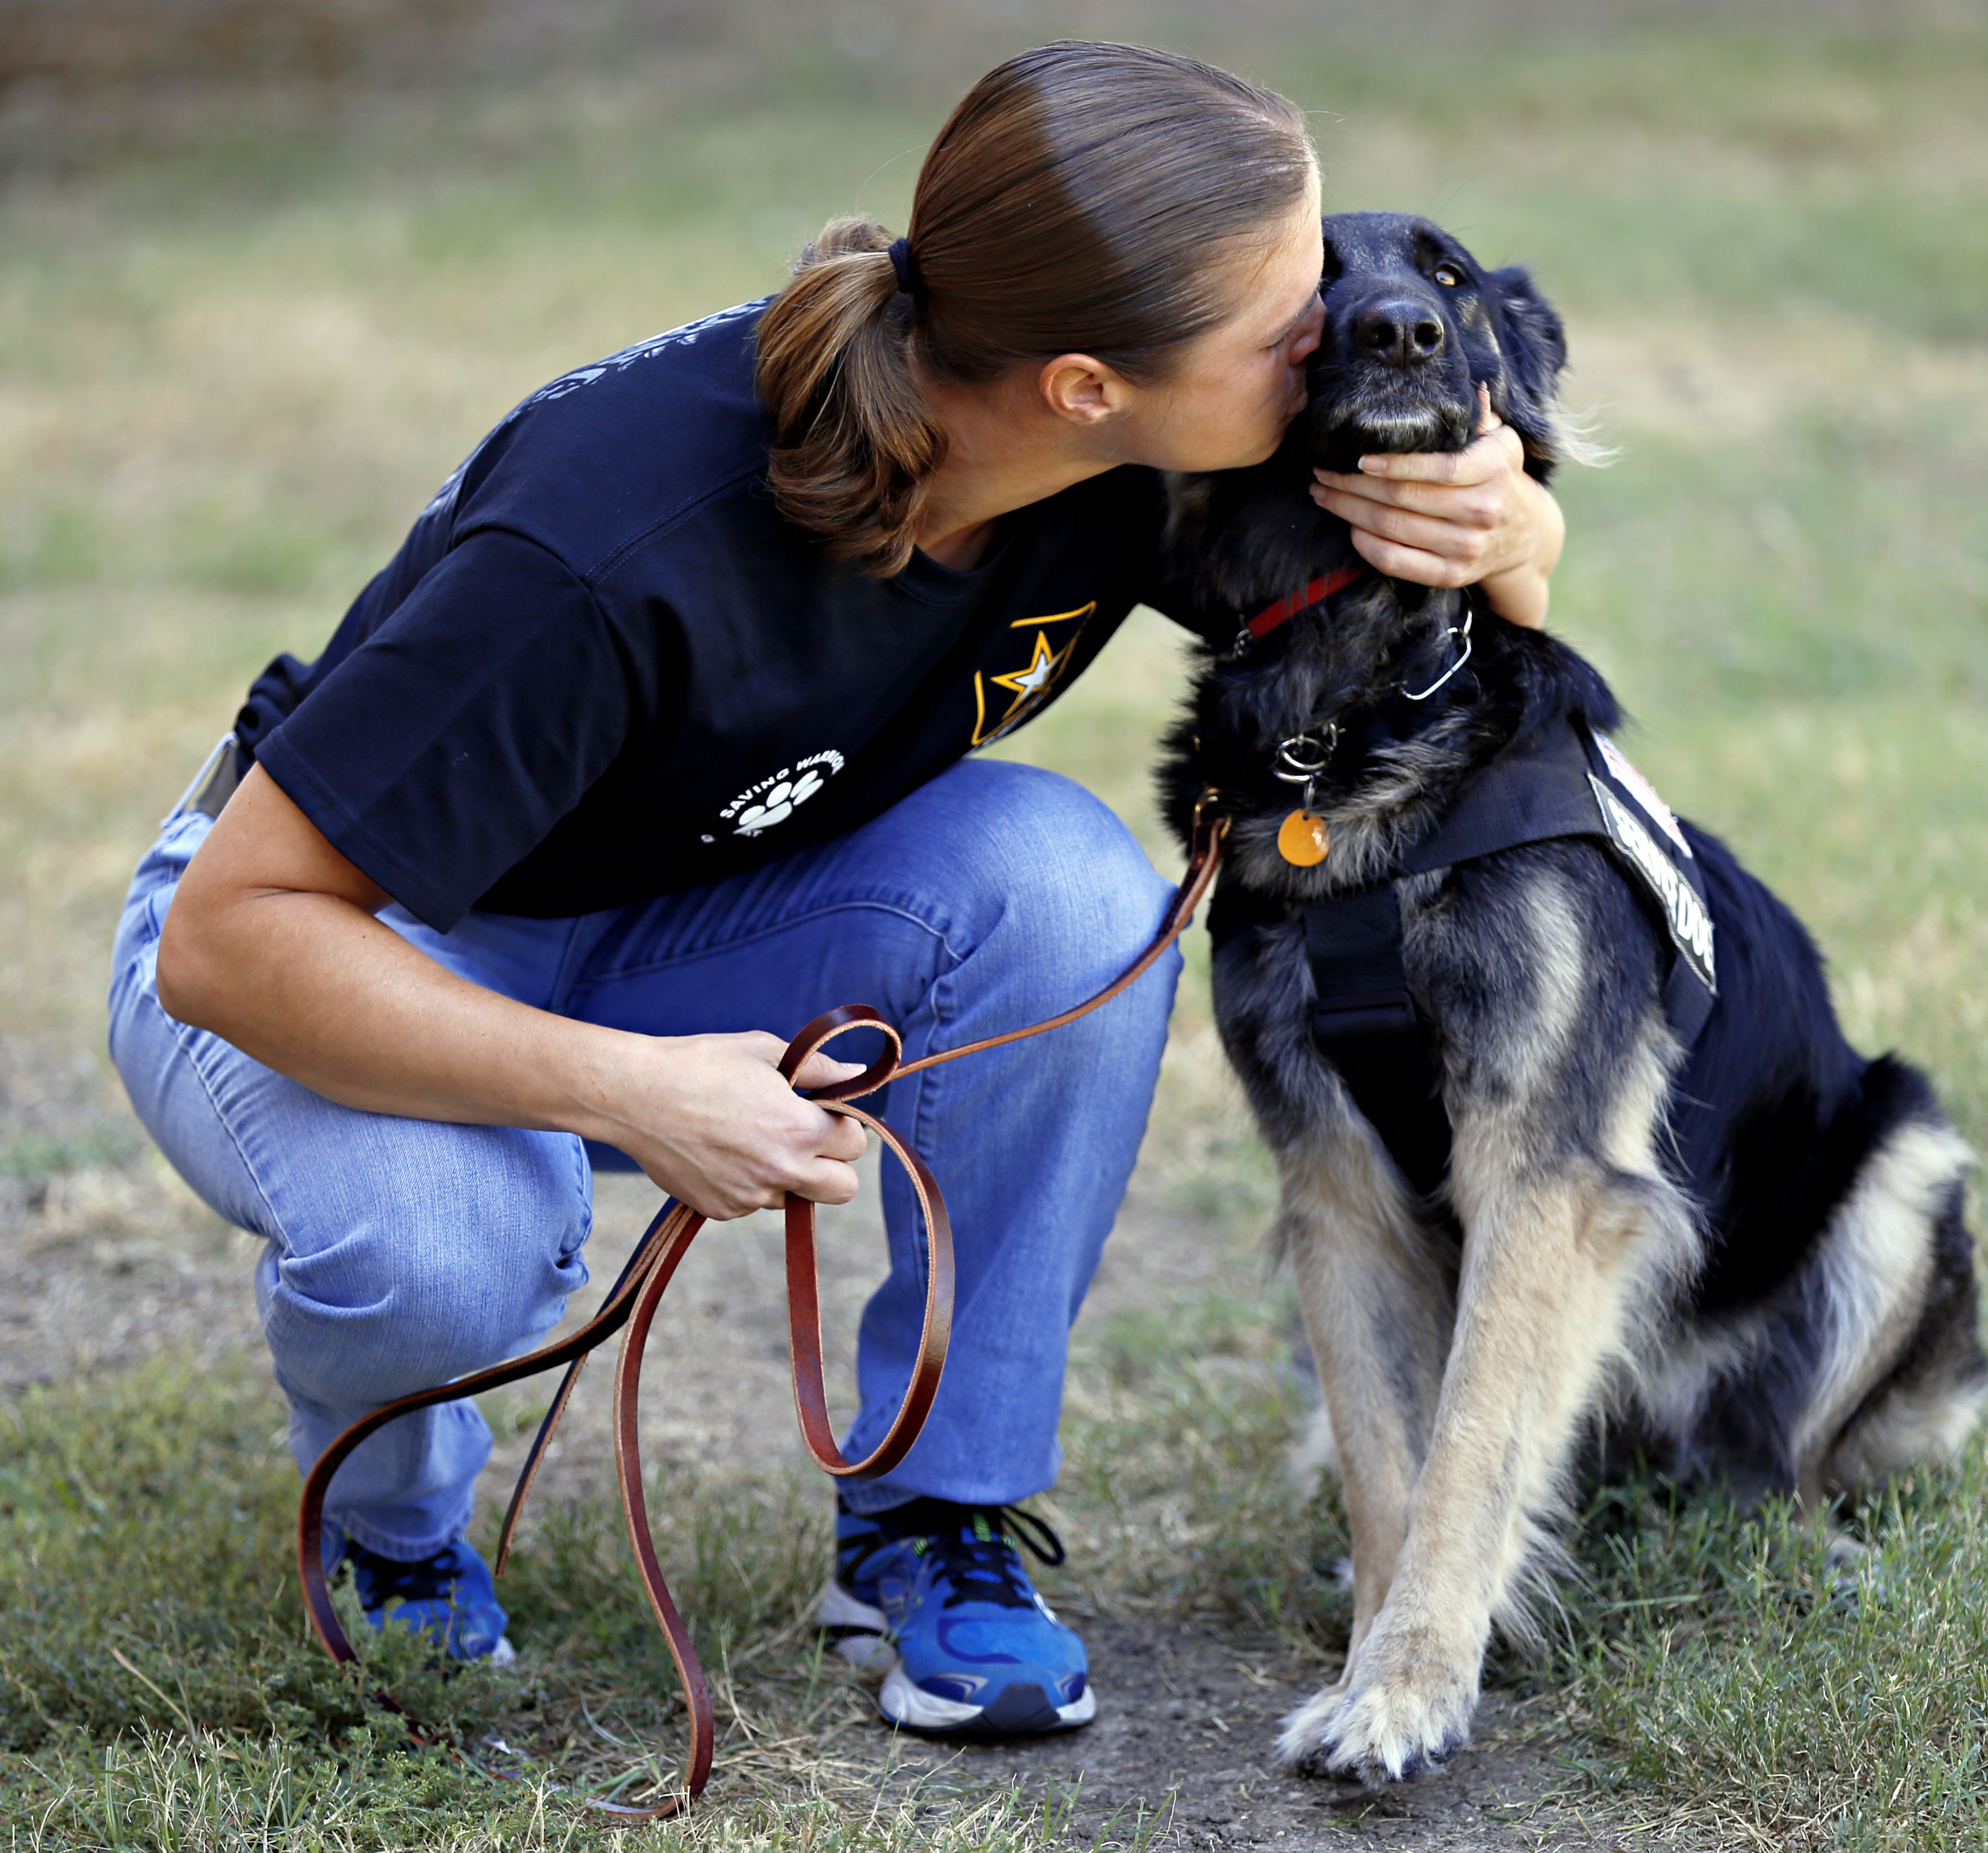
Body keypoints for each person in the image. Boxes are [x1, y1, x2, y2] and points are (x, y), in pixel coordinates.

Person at [110, 41, 1563, 1739]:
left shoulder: (1129, 459)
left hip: (676, 910)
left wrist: (1509, 531)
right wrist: (630, 1088)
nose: (1342, 323)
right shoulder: (614, 543)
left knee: (1065, 888)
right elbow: (238, 932)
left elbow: (1445, 601)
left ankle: (932, 1520)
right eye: (1292, 309)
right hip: (327, 938)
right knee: (456, 1232)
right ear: (1089, 382)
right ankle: (390, 1535)